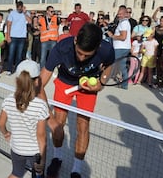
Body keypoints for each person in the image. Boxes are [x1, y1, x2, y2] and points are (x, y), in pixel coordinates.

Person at [40, 23, 115, 178]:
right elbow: (39, 85)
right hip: (64, 82)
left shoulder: (106, 49)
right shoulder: (61, 48)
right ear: (75, 42)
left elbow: (109, 65)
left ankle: (77, 169)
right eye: (79, 53)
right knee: (58, 123)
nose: (81, 58)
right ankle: (57, 157)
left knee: (83, 126)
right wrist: (49, 117)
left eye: (87, 55)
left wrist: (101, 83)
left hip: (88, 85)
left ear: (98, 46)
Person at [0, 59, 49, 178]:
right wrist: (42, 160)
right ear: (37, 81)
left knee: (16, 173)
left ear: (17, 80)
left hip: (16, 149)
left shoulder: (8, 100)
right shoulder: (41, 106)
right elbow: (41, 137)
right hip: (34, 153)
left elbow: (1, 123)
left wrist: (6, 134)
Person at [106, 6, 131, 90]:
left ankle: (104, 79)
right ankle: (124, 85)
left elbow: (123, 37)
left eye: (120, 14)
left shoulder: (123, 23)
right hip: (124, 47)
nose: (119, 15)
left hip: (120, 48)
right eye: (118, 13)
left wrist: (112, 36)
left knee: (110, 63)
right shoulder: (124, 22)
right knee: (122, 66)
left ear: (125, 14)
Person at [5, 1, 31, 74]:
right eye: (18, 7)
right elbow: (9, 25)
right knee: (11, 54)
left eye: (20, 7)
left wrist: (25, 13)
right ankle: (9, 69)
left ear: (22, 7)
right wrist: (8, 36)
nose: (19, 9)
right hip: (13, 36)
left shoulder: (26, 13)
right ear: (16, 7)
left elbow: (30, 21)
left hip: (22, 37)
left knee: (19, 55)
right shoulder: (12, 13)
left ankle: (17, 69)